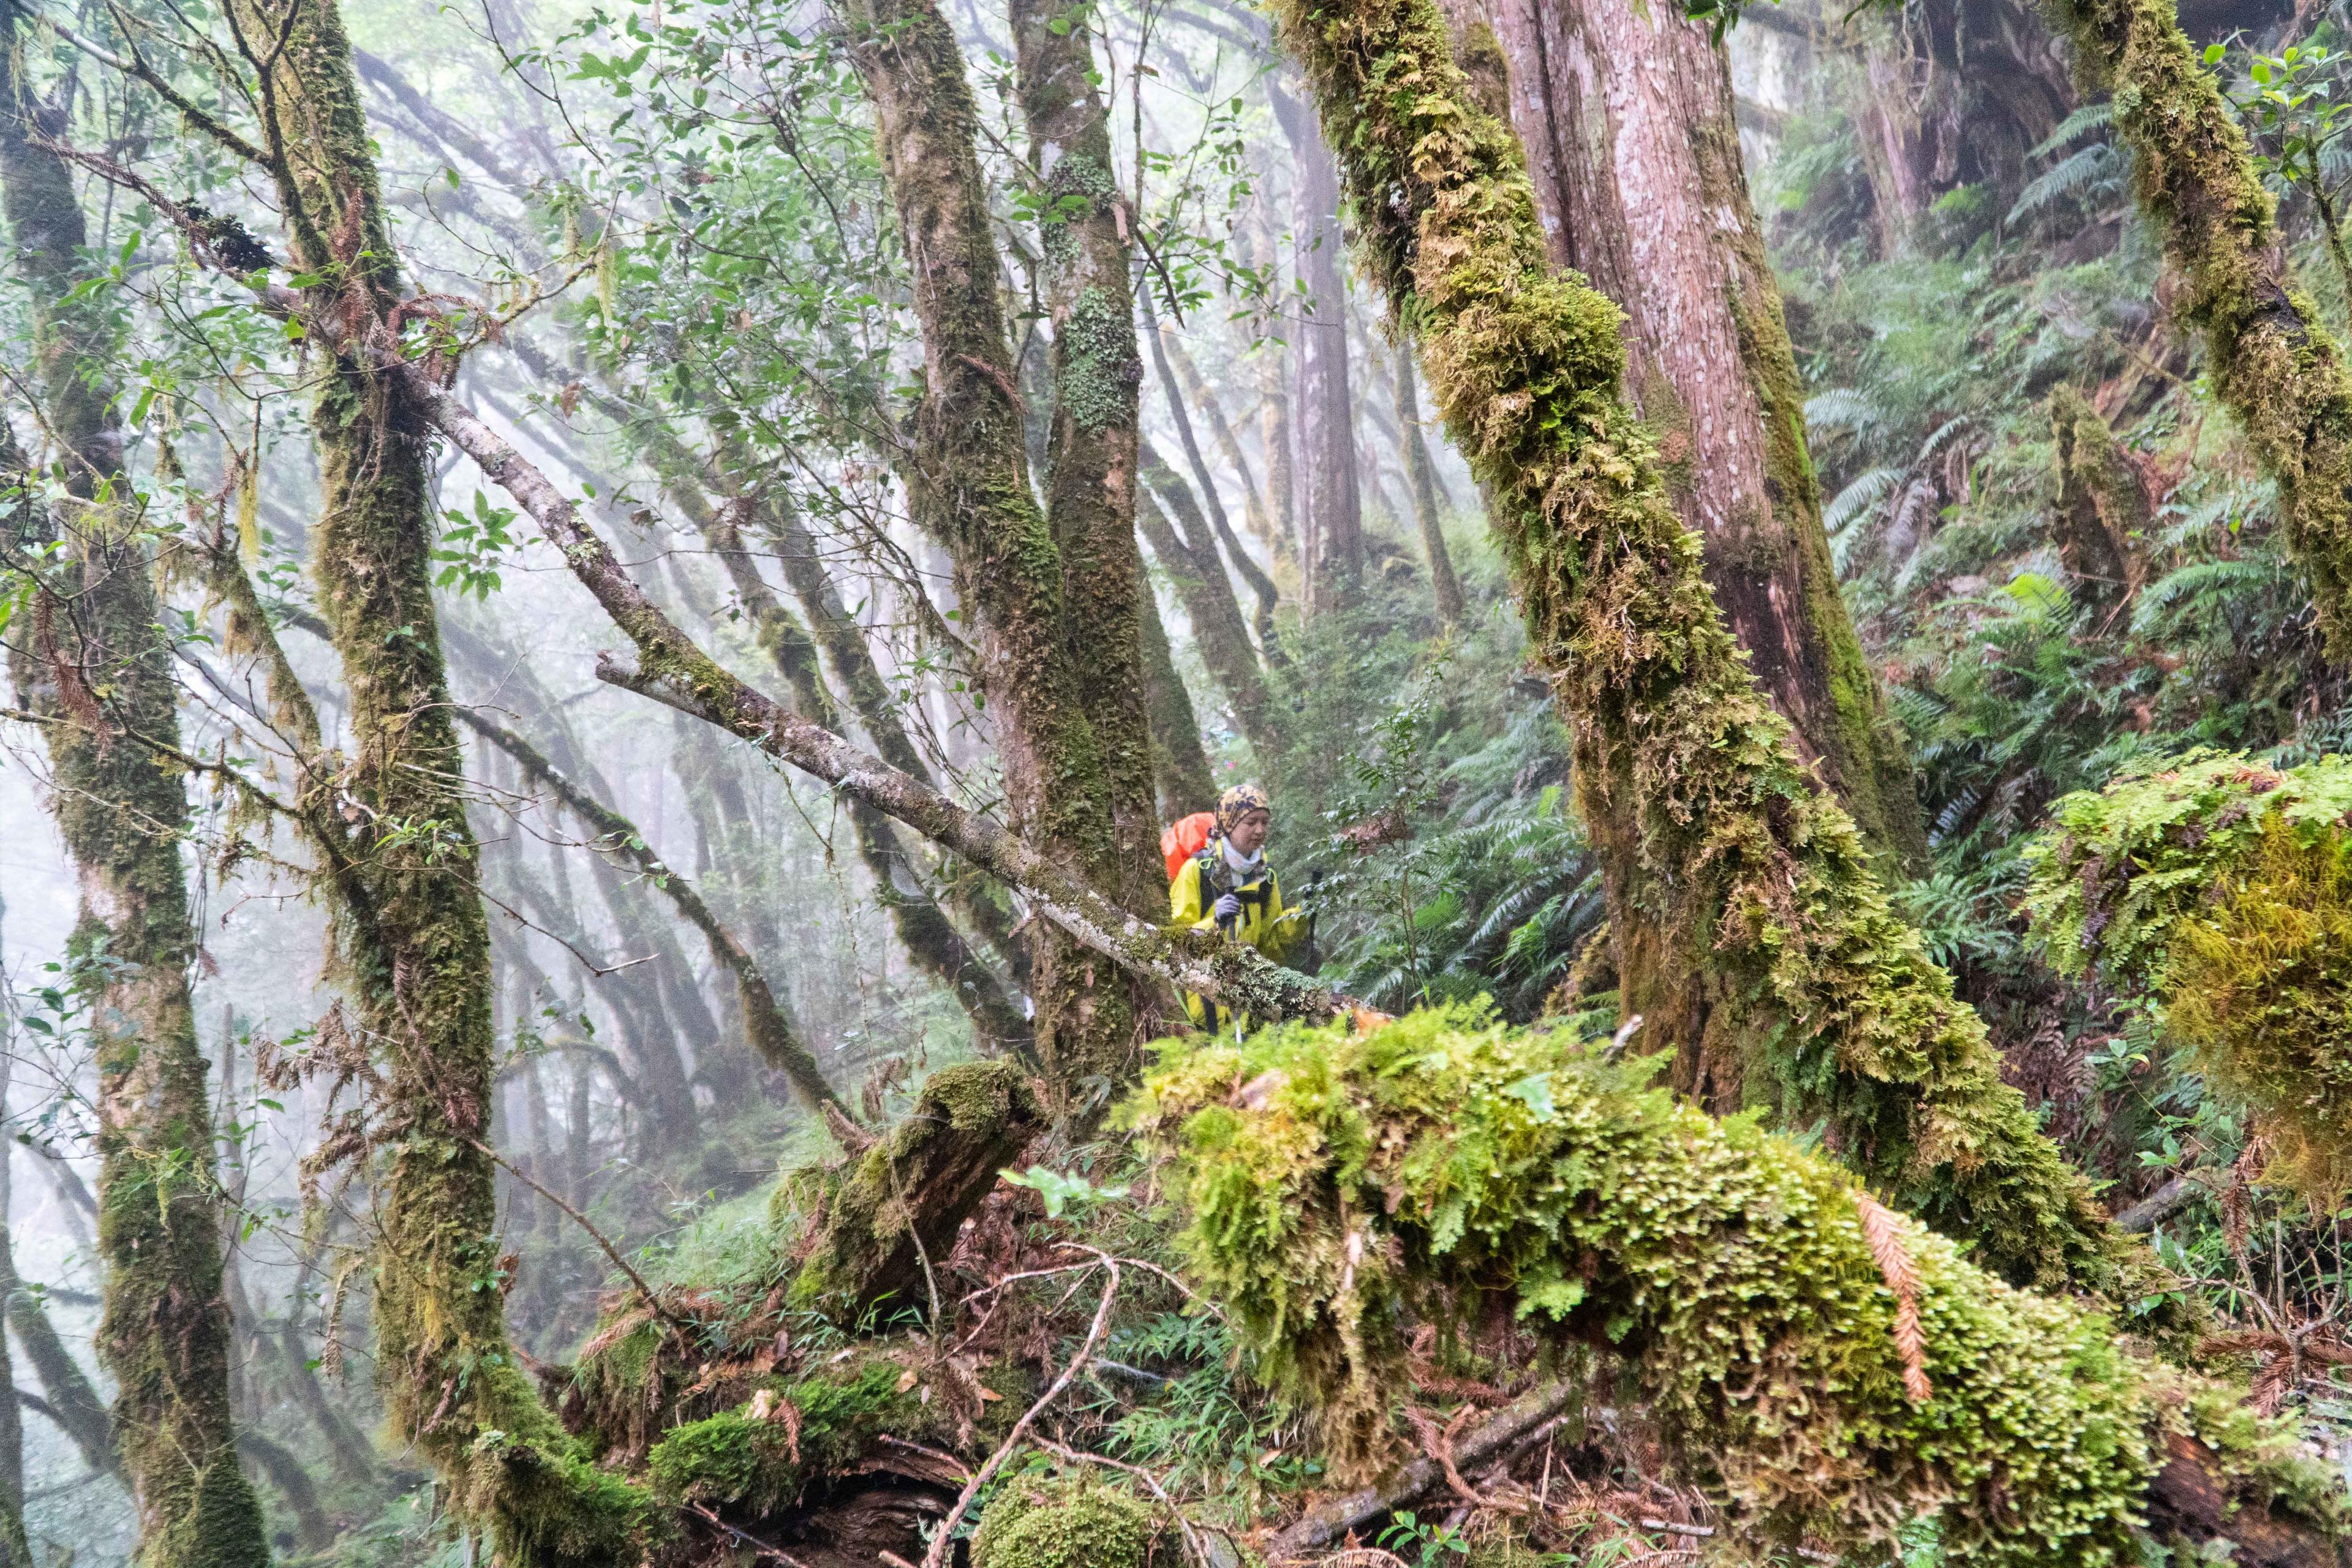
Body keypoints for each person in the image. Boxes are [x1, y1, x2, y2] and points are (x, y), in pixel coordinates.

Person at [1168, 783, 1303, 1034]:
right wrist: (1215, 923)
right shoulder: (1198, 870)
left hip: (1253, 1009)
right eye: (1251, 822)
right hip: (1206, 1010)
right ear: (1230, 824)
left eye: (1265, 822)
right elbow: (1175, 939)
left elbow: (1271, 944)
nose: (1260, 830)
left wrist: (1301, 917)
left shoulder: (1266, 878)